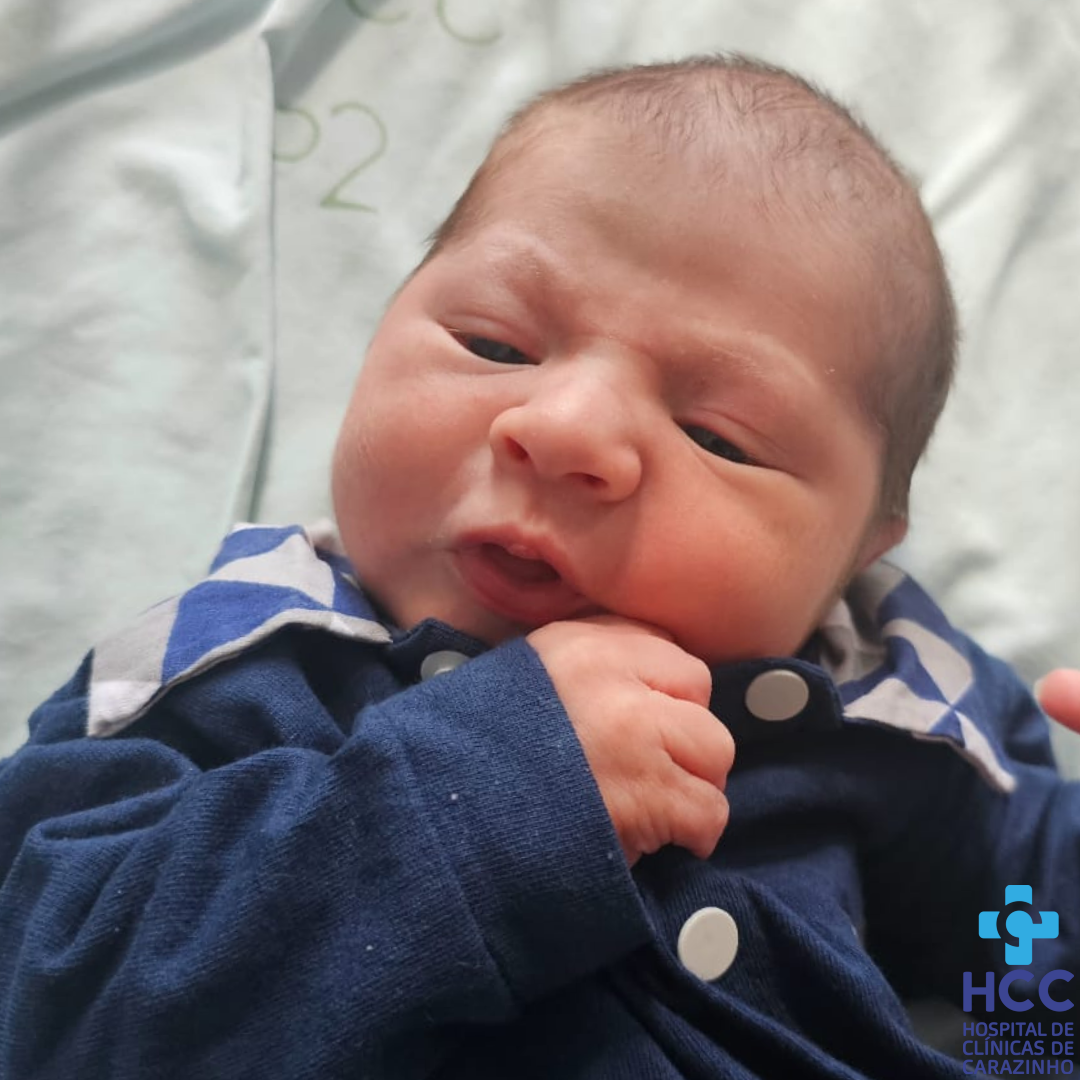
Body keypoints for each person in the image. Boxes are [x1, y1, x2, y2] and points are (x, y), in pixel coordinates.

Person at [1, 55, 1078, 1079]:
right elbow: (53, 1014)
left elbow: (1016, 977)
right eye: (495, 345)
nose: (564, 429)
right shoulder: (240, 659)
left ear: (858, 550)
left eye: (719, 436)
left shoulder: (895, 710)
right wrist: (478, 798)